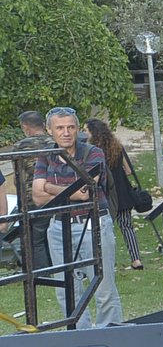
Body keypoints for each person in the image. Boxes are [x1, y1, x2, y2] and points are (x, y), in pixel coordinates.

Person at [30, 106, 121, 328]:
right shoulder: (46, 156)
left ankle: (110, 335)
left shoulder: (93, 153)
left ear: (77, 128)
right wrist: (68, 189)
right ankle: (78, 337)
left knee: (103, 287)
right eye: (59, 128)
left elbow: (85, 193)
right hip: (59, 227)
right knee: (66, 288)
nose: (66, 132)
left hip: (94, 224)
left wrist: (50, 186)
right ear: (50, 130)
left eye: (71, 127)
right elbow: (37, 197)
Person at [85, 117, 144, 270]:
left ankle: (103, 261)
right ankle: (136, 259)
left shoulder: (91, 151)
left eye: (86, 131)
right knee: (127, 226)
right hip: (123, 191)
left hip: (106, 193)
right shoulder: (116, 146)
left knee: (104, 228)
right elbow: (129, 170)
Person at [11, 111, 54, 304]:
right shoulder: (54, 144)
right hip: (55, 196)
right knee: (56, 235)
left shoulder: (20, 147)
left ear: (25, 127)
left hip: (30, 200)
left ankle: (43, 275)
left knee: (35, 240)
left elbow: (16, 176)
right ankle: (61, 269)